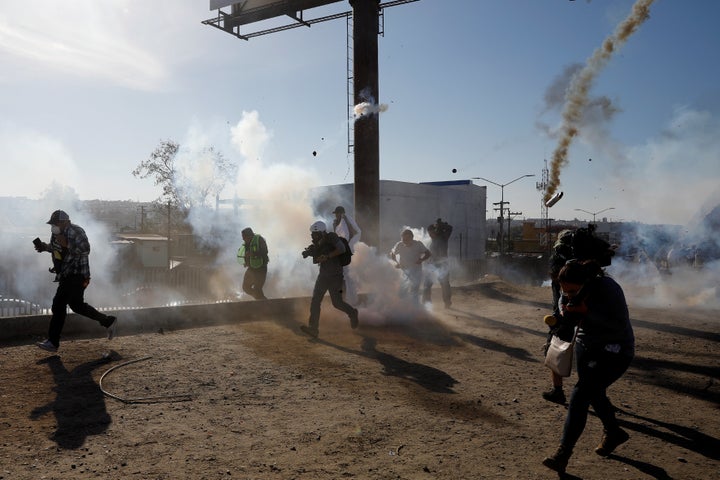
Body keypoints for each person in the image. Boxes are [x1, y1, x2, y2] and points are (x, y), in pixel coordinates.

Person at [542, 259, 635, 475]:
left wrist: (587, 312)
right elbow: (566, 316)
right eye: (565, 291)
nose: (568, 295)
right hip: (586, 346)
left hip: (616, 350)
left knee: (581, 393)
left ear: (586, 282)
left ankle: (562, 454)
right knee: (594, 393)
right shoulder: (568, 292)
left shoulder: (609, 289)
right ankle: (613, 432)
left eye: (573, 291)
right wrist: (561, 320)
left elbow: (618, 325)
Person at [33, 210, 117, 353]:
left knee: (58, 304)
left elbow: (85, 249)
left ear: (65, 222)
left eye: (56, 223)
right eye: (52, 224)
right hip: (67, 275)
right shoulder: (56, 234)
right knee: (77, 306)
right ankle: (108, 321)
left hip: (78, 275)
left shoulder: (76, 231)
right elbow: (56, 249)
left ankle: (53, 342)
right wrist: (44, 247)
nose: (53, 226)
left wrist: (67, 245)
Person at [300, 221, 359, 338]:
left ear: (322, 232)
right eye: (313, 234)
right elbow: (316, 252)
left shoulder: (331, 237)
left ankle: (352, 313)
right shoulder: (318, 243)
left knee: (337, 303)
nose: (313, 236)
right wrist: (308, 253)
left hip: (335, 277)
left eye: (315, 233)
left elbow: (341, 249)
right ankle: (313, 329)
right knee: (315, 301)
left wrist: (327, 256)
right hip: (323, 276)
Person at [390, 229, 431, 303]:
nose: (405, 241)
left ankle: (415, 307)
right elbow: (392, 254)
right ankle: (403, 306)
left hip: (416, 270)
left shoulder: (418, 244)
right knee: (402, 290)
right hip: (404, 271)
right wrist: (396, 262)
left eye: (407, 239)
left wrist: (421, 260)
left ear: (412, 238)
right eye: (403, 239)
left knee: (414, 289)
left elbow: (428, 253)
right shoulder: (399, 244)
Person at [331, 205, 361, 305]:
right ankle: (347, 300)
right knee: (344, 275)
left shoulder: (346, 220)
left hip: (347, 251)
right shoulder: (336, 222)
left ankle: (351, 301)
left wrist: (348, 245)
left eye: (337, 213)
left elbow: (355, 233)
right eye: (336, 214)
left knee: (348, 275)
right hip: (342, 251)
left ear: (342, 213)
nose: (336, 215)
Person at [422, 218, 453, 308]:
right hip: (431, 265)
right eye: (429, 233)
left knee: (445, 284)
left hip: (442, 265)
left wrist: (441, 224)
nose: (430, 235)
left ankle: (447, 302)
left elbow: (450, 228)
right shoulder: (431, 241)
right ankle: (426, 303)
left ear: (436, 231)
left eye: (431, 232)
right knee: (427, 285)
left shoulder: (443, 238)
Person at [237, 227, 269, 300]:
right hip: (251, 268)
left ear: (249, 235)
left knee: (257, 288)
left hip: (261, 268)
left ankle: (263, 303)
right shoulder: (247, 243)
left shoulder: (259, 239)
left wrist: (253, 254)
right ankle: (261, 300)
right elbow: (247, 254)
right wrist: (246, 262)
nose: (243, 239)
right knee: (246, 287)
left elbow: (265, 252)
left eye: (244, 237)